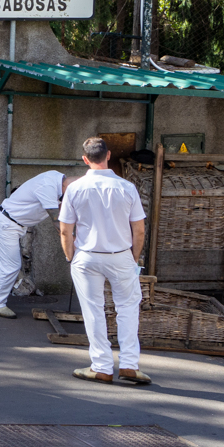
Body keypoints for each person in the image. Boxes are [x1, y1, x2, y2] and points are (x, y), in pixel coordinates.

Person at [59, 137, 150, 385]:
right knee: (128, 308)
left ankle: (101, 366)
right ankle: (130, 365)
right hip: (120, 255)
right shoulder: (127, 188)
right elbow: (139, 230)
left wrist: (70, 256)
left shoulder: (75, 189)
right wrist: (133, 256)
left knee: (93, 311)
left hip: (86, 256)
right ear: (108, 155)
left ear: (85, 159)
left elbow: (66, 229)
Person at [0, 170, 76, 319]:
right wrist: (70, 238)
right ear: (66, 186)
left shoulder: (57, 178)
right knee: (11, 265)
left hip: (6, 220)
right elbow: (57, 220)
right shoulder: (47, 188)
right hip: (8, 225)